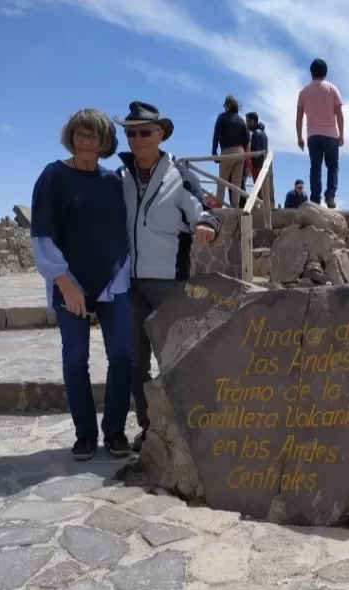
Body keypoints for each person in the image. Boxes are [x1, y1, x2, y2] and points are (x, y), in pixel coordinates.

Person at [112, 101, 221, 453]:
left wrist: (206, 224)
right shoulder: (121, 177)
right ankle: (151, 428)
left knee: (174, 359)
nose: (137, 138)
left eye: (145, 132)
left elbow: (203, 211)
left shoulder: (179, 174)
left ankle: (188, 427)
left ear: (160, 134)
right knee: (134, 362)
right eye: (131, 132)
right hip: (129, 285)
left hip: (169, 285)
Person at [30, 108, 132, 461]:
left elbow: (120, 235)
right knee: (76, 360)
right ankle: (85, 435)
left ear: (104, 141)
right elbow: (42, 234)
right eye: (81, 134)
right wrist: (66, 285)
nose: (86, 140)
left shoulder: (113, 182)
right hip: (67, 283)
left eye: (94, 135)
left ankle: (116, 431)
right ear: (71, 137)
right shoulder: (53, 176)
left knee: (123, 356)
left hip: (112, 283)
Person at [296, 58, 344, 208]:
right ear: (325, 73)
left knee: (315, 167)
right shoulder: (332, 89)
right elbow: (339, 114)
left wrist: (299, 137)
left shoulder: (304, 92)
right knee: (332, 166)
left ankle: (315, 199)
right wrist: (341, 134)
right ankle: (330, 195)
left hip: (313, 135)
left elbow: (298, 117)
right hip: (331, 135)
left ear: (311, 73)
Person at [211, 95, 250, 207]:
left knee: (222, 181)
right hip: (240, 152)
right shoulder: (241, 120)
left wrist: (214, 152)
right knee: (236, 183)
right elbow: (246, 140)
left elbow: (216, 135)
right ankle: (235, 208)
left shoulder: (221, 117)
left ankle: (219, 206)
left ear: (227, 106)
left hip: (227, 152)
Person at [246, 112, 272, 208]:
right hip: (263, 165)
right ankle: (264, 206)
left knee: (258, 189)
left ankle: (261, 208)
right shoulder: (264, 134)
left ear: (252, 121)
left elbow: (255, 153)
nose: (247, 124)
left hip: (257, 165)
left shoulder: (255, 134)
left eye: (248, 121)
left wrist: (249, 165)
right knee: (263, 189)